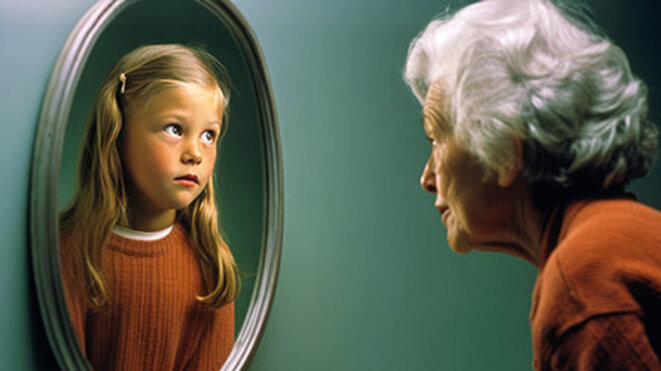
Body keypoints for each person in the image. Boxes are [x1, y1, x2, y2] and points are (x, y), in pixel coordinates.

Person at [404, 0, 661, 370]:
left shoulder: (581, 281)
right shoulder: (619, 235)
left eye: (437, 139)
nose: (427, 179)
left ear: (505, 150)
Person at [59, 44, 240, 371]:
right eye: (175, 129)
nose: (195, 153)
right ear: (118, 133)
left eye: (209, 135)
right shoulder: (69, 250)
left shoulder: (212, 265)